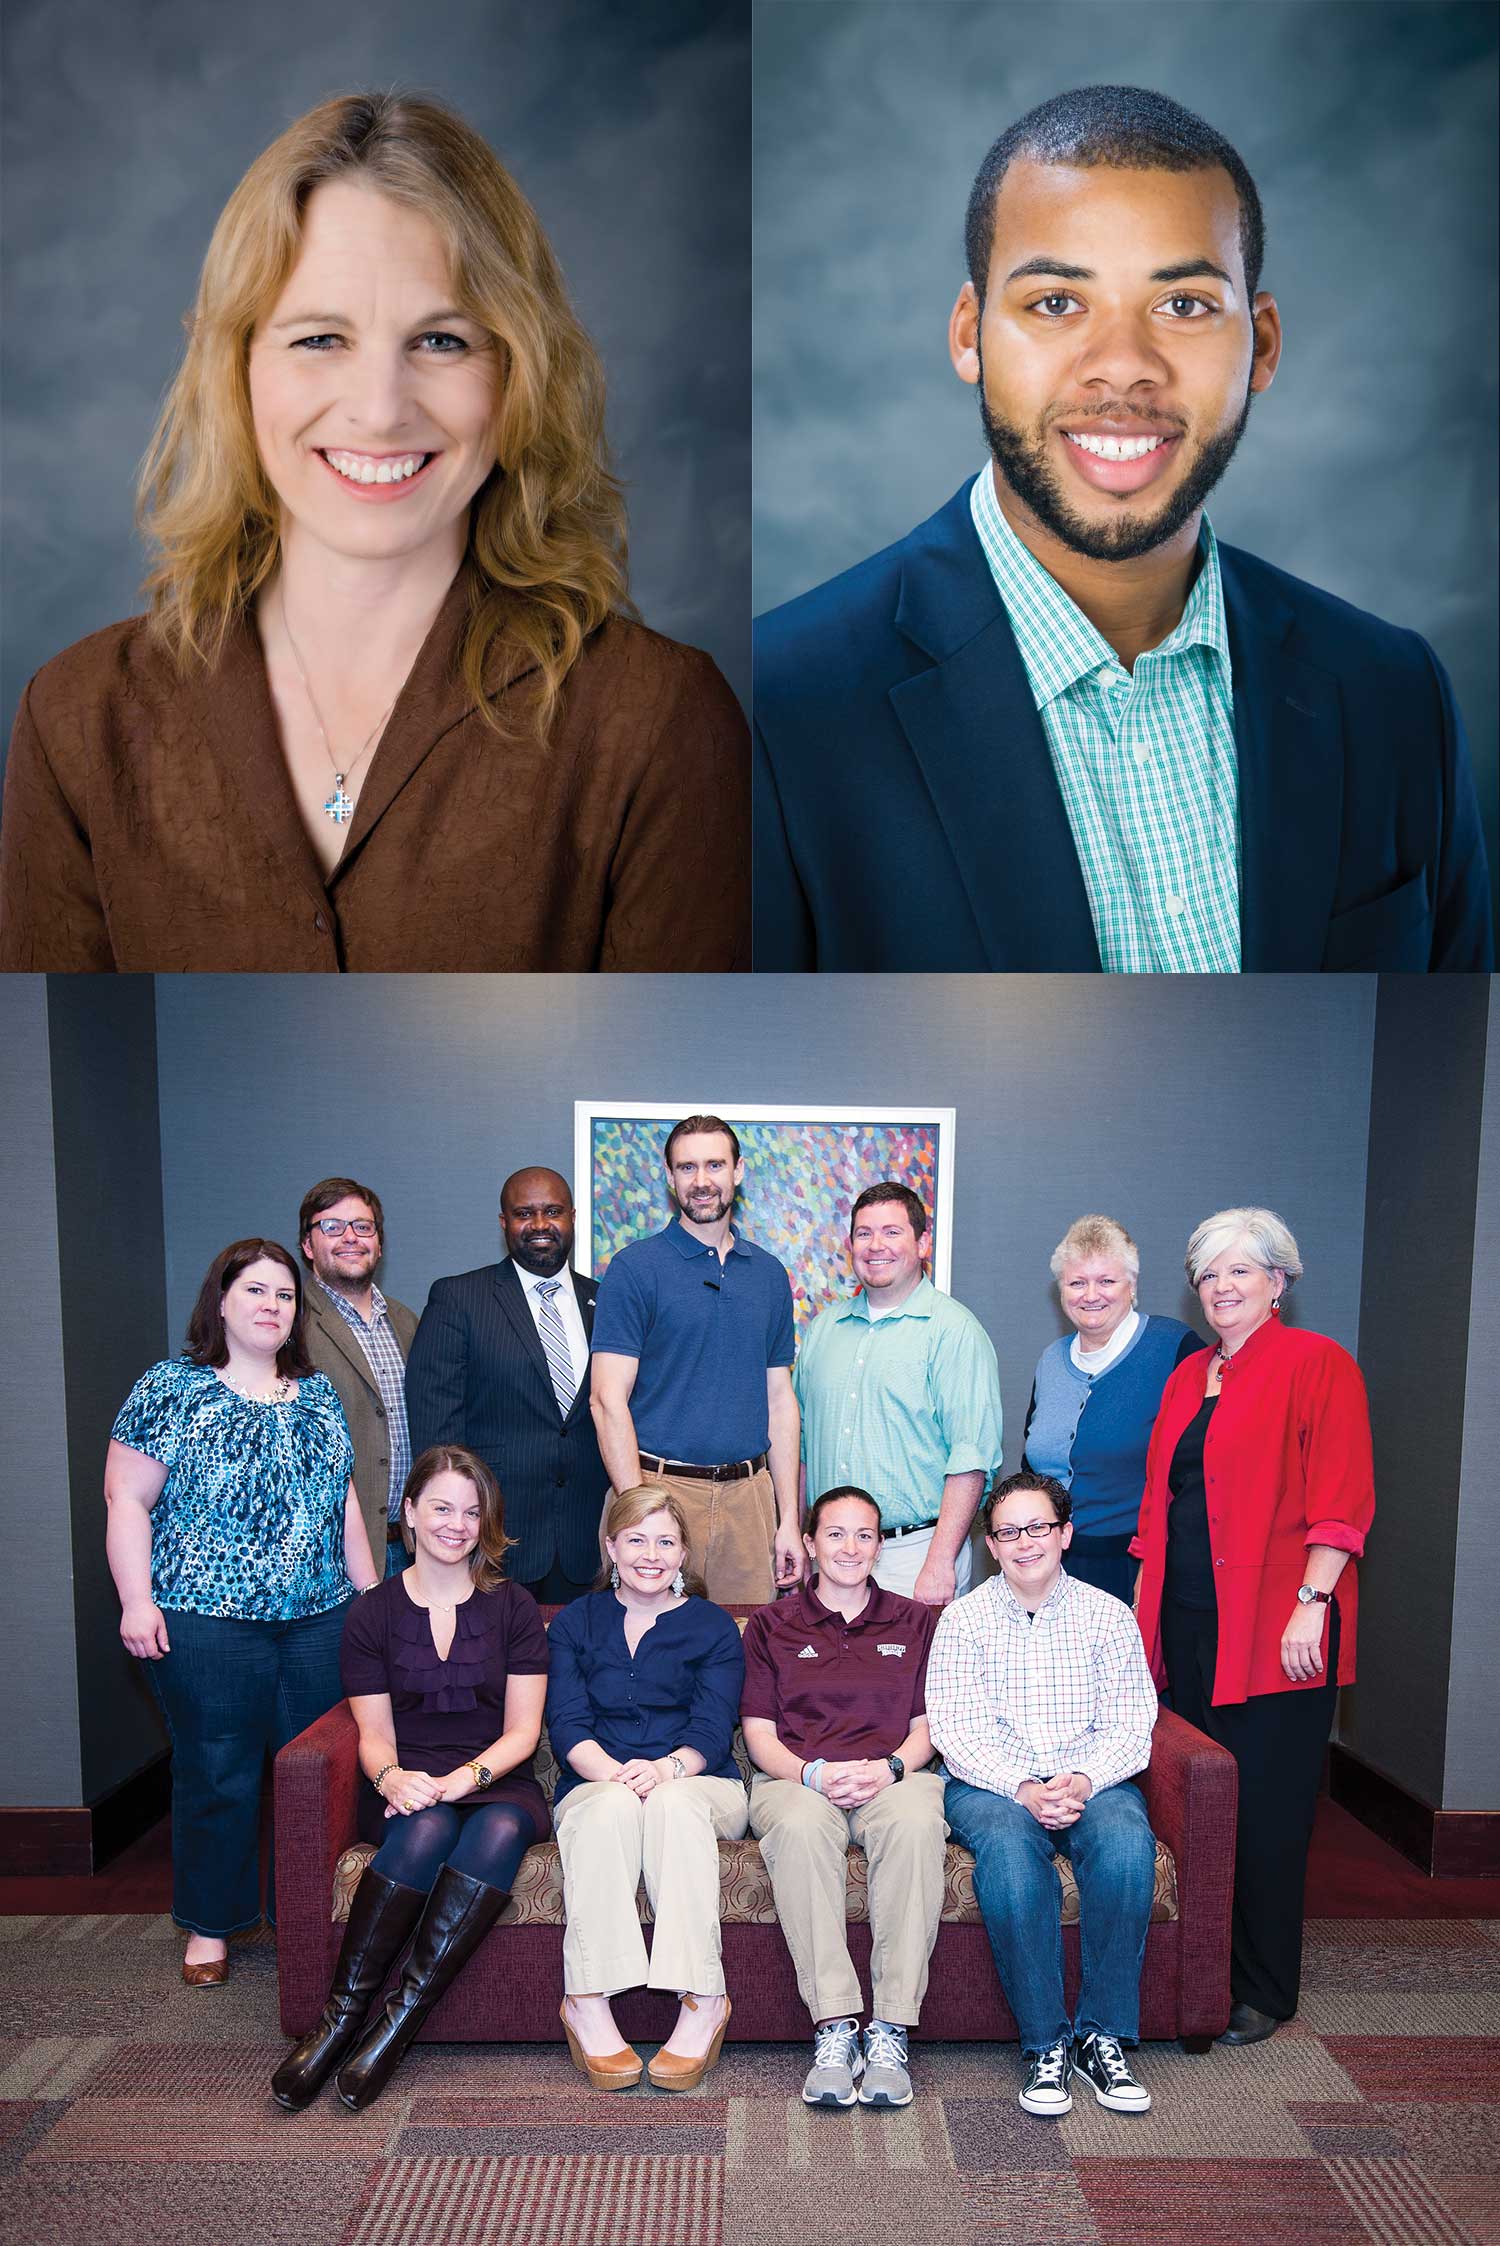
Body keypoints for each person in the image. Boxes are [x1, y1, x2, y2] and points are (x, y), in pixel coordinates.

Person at [0, 90, 748, 973]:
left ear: (517, 377)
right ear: (236, 371)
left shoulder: (657, 719)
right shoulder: (80, 716)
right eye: (320, 339)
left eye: (441, 342)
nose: (380, 410)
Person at [753, 84, 1491, 975]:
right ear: (968, 334)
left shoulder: (1395, 696)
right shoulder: (777, 715)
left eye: (1182, 305)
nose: (1123, 369)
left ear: (1259, 344)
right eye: (1057, 303)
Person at [104, 1239, 379, 1987]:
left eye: (284, 1296)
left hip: (320, 1618)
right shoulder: (171, 1386)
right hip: (203, 1616)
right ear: (220, 1301)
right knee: (217, 1771)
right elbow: (125, 1499)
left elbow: (344, 1503)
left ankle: (304, 1919)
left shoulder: (317, 1393)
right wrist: (136, 1600)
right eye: (255, 1291)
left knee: (314, 1774)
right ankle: (211, 1926)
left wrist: (370, 1599)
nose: (271, 1306)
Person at [1132, 1207, 1373, 2046]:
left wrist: (1313, 1603)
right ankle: (1200, 1971)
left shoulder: (1318, 1364)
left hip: (1279, 1634)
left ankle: (1264, 1987)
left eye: (1240, 1270)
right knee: (1195, 1804)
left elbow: (1343, 1501)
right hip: (1188, 1626)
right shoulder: (1188, 1373)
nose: (1222, 1287)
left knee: (1267, 1812)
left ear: (1279, 1281)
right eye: (1208, 1274)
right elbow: (1163, 1508)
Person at [271, 1445, 550, 2111]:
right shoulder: (372, 1613)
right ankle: (340, 2019)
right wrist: (394, 1778)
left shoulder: (514, 1607)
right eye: (442, 1508)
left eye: (471, 1511)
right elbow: (371, 1735)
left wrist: (463, 1778)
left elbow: (523, 1733)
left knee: (504, 1823)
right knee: (423, 1831)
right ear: (410, 1514)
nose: (457, 1524)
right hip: (406, 1784)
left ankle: (397, 2026)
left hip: (495, 1779)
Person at [929, 1471, 1159, 2120]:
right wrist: (1024, 1788)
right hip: (993, 1787)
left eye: (1038, 1527)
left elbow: (1131, 1722)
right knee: (1006, 1852)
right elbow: (955, 1729)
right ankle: (1046, 2044)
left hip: (1093, 1778)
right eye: (1008, 1532)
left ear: (1065, 1534)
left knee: (1123, 1845)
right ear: (991, 1546)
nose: (1024, 1542)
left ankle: (1101, 2036)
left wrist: (1082, 1780)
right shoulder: (964, 1621)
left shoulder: (1109, 1617)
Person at [741, 1488, 947, 2109]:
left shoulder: (917, 1621)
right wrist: (812, 1776)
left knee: (916, 1823)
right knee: (800, 1829)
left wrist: (889, 1769)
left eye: (864, 1535)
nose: (850, 1548)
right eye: (835, 1534)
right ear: (809, 1544)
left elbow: (929, 1725)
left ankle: (888, 2029)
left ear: (881, 1545)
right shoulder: (771, 1626)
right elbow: (758, 1735)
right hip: (797, 1779)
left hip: (893, 1775)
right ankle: (834, 2026)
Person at [545, 1486, 747, 2091]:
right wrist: (613, 1773)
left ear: (684, 1553)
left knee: (672, 1801)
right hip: (595, 1779)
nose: (650, 1555)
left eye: (665, 1541)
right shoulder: (574, 1622)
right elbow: (567, 1723)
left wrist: (663, 1770)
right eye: (636, 1539)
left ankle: (703, 1998)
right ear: (611, 1546)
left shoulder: (714, 1627)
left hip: (701, 1783)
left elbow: (714, 1731)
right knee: (608, 1808)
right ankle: (586, 2001)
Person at [590, 1115, 802, 1603]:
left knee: (742, 1660)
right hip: (657, 1494)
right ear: (669, 1176)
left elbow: (780, 1400)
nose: (702, 1181)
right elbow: (606, 1401)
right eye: (687, 1167)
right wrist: (638, 1517)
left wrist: (787, 1518)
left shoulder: (769, 1276)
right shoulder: (635, 1268)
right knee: (643, 1657)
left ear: (738, 1171)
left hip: (749, 1502)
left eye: (714, 1165)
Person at [793, 1182, 1002, 1602]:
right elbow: (800, 1447)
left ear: (922, 1242)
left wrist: (941, 1560)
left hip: (915, 1553)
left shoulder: (954, 1331)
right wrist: (796, 1535)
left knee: (911, 1670)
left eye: (892, 1232)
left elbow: (971, 1457)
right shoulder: (822, 1332)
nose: (876, 1246)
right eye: (864, 1233)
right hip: (827, 1555)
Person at [406, 1167, 606, 1605]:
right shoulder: (459, 1299)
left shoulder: (605, 1302)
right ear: (503, 1223)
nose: (539, 1225)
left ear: (572, 1217)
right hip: (494, 1542)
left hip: (587, 1542)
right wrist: (453, 1521)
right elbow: (435, 1426)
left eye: (552, 1212)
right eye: (523, 1213)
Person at [1022, 1215, 1199, 1602]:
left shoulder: (1174, 1348)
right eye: (1077, 1282)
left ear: (1132, 1285)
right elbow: (1030, 1467)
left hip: (1134, 1566)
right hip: (1049, 1566)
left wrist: (1153, 1564)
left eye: (1106, 1281)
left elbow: (1199, 1470)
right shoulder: (1051, 1361)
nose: (1091, 1295)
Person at [298, 1177, 418, 1579]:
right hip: (328, 1552)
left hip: (410, 1548)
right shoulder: (288, 1324)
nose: (350, 1237)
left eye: (363, 1227)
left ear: (379, 1244)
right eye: (331, 1226)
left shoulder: (408, 1322)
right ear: (307, 1245)